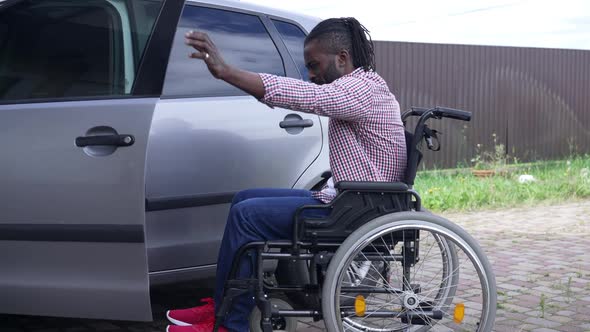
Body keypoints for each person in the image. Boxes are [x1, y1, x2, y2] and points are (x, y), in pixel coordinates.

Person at [165, 17, 407, 332]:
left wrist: (227, 72)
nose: (311, 74)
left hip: (359, 208)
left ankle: (231, 323)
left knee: (247, 216)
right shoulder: (363, 86)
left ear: (343, 59)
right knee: (245, 199)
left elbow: (307, 96)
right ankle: (223, 305)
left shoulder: (360, 88)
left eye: (315, 65)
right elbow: (310, 92)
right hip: (352, 198)